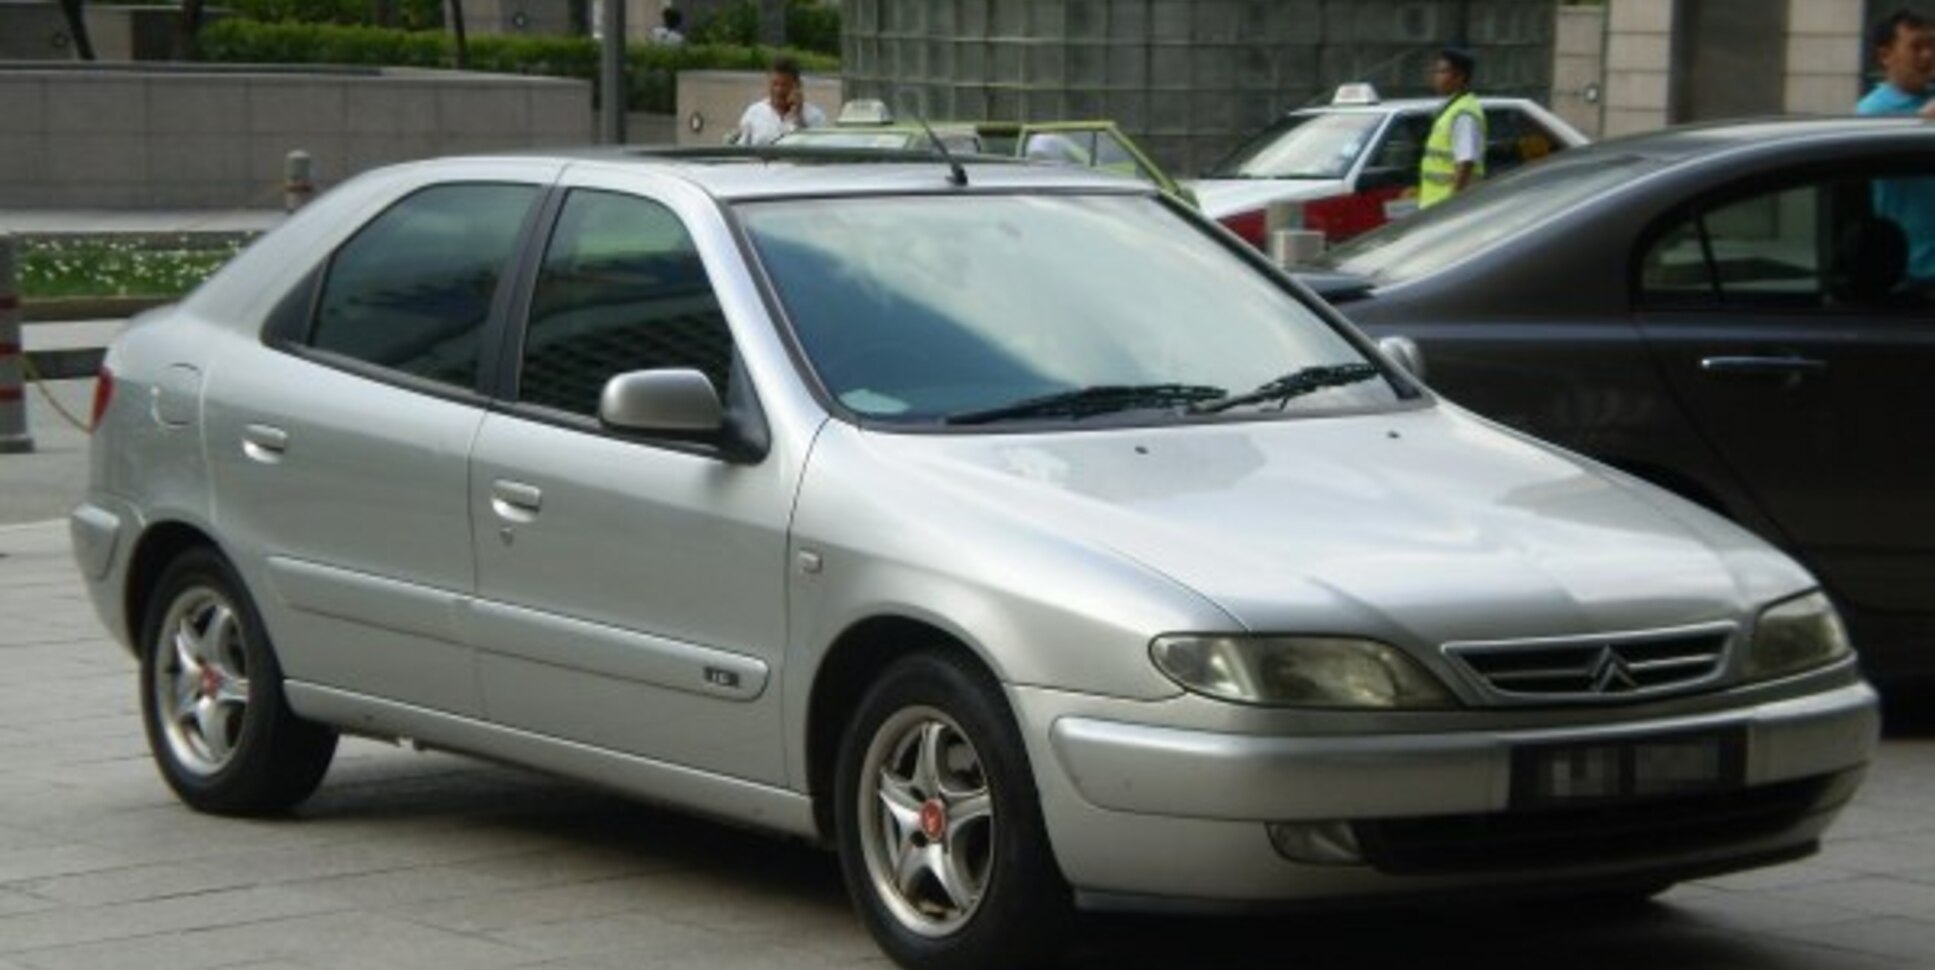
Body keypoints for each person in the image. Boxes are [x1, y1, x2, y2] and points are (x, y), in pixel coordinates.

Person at [1857, 8, 1935, 281]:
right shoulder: (1871, 113)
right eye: (1916, 47)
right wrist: (1922, 123)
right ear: (1885, 56)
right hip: (1912, 274)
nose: (1927, 55)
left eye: (1931, 45)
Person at [1417, 48, 1486, 209]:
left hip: (1447, 209)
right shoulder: (1450, 108)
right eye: (1436, 71)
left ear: (1459, 77)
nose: (1436, 77)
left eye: (1442, 72)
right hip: (1434, 206)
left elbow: (1466, 162)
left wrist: (1451, 205)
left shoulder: (1464, 114)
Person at [729, 56, 826, 146]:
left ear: (797, 86)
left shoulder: (815, 116)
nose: (779, 90)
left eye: (784, 85)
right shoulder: (754, 113)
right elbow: (740, 149)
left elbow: (814, 151)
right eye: (775, 84)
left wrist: (798, 115)